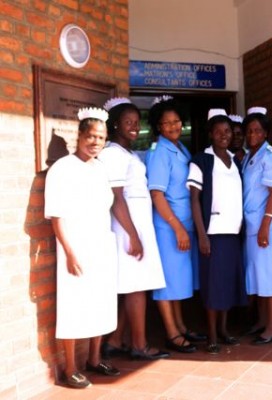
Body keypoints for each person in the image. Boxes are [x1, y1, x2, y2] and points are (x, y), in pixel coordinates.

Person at [45, 107, 119, 389]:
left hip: (100, 244)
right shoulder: (62, 169)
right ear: (79, 136)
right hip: (75, 248)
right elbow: (57, 216)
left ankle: (94, 358)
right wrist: (70, 252)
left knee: (99, 302)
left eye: (100, 138)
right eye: (90, 136)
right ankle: (70, 367)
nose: (95, 143)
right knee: (73, 305)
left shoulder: (101, 168)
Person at [97, 98, 169, 361]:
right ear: (115, 124)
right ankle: (139, 345)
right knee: (136, 287)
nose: (134, 127)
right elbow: (117, 198)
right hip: (128, 227)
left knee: (135, 285)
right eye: (128, 122)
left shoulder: (128, 153)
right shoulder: (113, 153)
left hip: (137, 224)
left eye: (137, 123)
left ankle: (116, 341)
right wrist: (133, 235)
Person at [146, 96, 202, 354]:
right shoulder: (160, 152)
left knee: (179, 279)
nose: (172, 126)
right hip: (169, 227)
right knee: (167, 282)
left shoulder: (180, 148)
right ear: (158, 126)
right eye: (166, 123)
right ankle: (171, 333)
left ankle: (181, 326)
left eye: (176, 121)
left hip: (183, 223)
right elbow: (157, 194)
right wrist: (177, 227)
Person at [188, 109, 247, 354]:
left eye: (227, 132)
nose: (224, 135)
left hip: (232, 233)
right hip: (212, 234)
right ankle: (211, 334)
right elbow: (194, 199)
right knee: (213, 285)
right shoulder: (201, 160)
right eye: (218, 132)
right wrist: (201, 234)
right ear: (210, 134)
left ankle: (223, 330)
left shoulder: (235, 161)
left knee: (228, 284)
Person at [240, 107, 272, 344]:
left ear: (266, 133)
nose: (252, 134)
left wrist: (266, 224)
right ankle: (261, 321)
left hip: (266, 224)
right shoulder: (249, 156)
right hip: (252, 224)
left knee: (270, 275)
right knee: (256, 274)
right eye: (249, 130)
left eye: (257, 130)